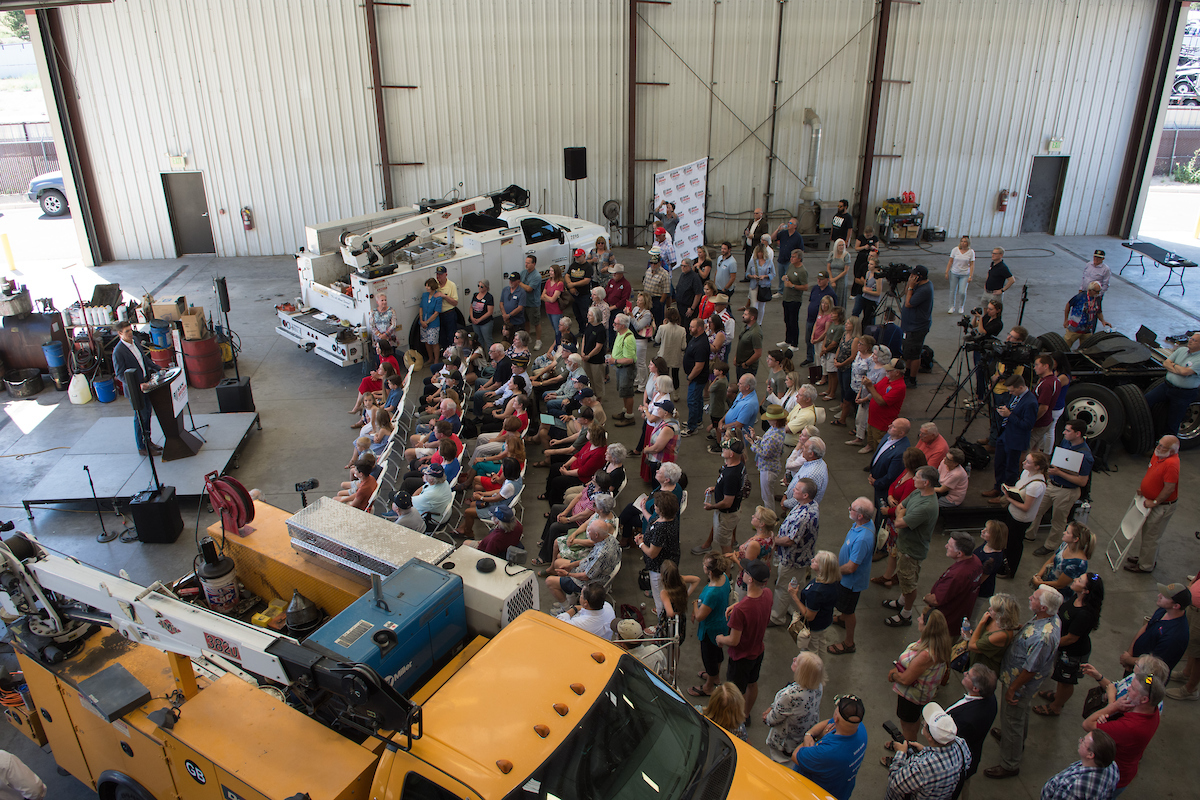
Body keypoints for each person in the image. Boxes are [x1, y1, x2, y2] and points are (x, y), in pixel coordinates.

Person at [983, 585, 1063, 780]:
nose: (1030, 598)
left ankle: (1010, 763)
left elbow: (1030, 669)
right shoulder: (1046, 618)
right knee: (1019, 716)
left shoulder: (1043, 637)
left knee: (1013, 718)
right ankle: (1015, 740)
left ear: (1044, 607)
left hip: (1020, 685)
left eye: (1034, 598)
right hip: (1018, 680)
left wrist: (1013, 689)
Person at [1034, 572, 1104, 717]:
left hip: (1072, 653)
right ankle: (1058, 695)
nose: (1075, 580)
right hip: (1063, 648)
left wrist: (1050, 643)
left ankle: (1056, 706)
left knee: (1066, 681)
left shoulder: (1084, 614)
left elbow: (1072, 638)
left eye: (1079, 580)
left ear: (1086, 591)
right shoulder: (1076, 598)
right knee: (1060, 677)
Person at [1086, 672, 1163, 795]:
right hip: (1126, 771)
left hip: (1107, 778)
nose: (1128, 688)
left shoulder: (1129, 727)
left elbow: (1087, 724)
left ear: (1144, 699)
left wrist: (1113, 706)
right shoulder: (1153, 711)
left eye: (1132, 688)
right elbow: (1150, 682)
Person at [887, 607, 953, 748]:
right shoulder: (939, 643)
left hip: (911, 697)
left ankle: (907, 752)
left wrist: (894, 675)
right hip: (923, 694)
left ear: (928, 627)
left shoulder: (925, 655)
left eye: (921, 618)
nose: (918, 619)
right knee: (914, 721)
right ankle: (906, 743)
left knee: (907, 725)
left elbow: (906, 680)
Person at [884, 466, 940, 627]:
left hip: (912, 550)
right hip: (904, 545)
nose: (913, 479)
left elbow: (899, 522)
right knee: (903, 577)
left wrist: (900, 515)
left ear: (926, 482)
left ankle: (906, 614)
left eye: (917, 477)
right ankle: (902, 601)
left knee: (909, 582)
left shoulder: (926, 506)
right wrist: (902, 513)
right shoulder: (918, 492)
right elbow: (901, 506)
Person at [718, 559, 772, 719]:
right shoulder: (767, 594)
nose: (743, 571)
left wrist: (721, 638)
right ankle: (745, 714)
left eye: (746, 571)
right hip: (757, 650)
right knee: (752, 683)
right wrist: (737, 605)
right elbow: (754, 602)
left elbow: (734, 640)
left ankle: (732, 719)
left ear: (750, 579)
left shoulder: (741, 611)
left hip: (740, 657)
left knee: (733, 692)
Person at [1031, 419, 1093, 558]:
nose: (1064, 432)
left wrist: (1059, 473)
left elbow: (1082, 481)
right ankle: (1029, 534)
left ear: (1078, 434)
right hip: (1052, 484)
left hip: (1066, 491)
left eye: (1068, 430)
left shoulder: (1085, 456)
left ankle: (1050, 545)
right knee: (1037, 509)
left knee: (1058, 520)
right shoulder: (1067, 442)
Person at [884, 702, 972, 800]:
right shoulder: (961, 744)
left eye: (925, 724)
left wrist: (900, 753)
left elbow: (895, 784)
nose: (924, 723)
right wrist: (925, 751)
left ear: (930, 737)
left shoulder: (922, 768)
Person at [791, 693, 867, 800]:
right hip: (839, 792)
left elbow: (796, 755)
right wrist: (810, 734)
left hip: (812, 793)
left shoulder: (827, 752)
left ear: (836, 717)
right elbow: (828, 722)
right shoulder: (860, 729)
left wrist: (817, 738)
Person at [1123, 434, 1180, 575]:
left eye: (1162, 446)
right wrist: (1144, 488)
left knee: (1152, 536)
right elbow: (1152, 473)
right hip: (1149, 500)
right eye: (1159, 444)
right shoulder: (1158, 455)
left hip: (1161, 506)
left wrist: (1155, 502)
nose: (1158, 447)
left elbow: (1169, 488)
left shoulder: (1171, 464)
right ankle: (1146, 558)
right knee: (1148, 532)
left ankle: (1145, 565)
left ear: (1171, 451)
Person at [827, 497, 876, 656]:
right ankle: (842, 619)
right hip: (846, 579)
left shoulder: (863, 538)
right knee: (844, 607)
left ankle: (849, 643)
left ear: (860, 516)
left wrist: (833, 571)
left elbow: (851, 567)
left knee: (849, 610)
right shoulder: (861, 524)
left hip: (851, 582)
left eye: (852, 509)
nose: (849, 510)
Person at [770, 479, 821, 626]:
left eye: (797, 489)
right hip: (801, 557)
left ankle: (776, 617)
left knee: (783, 586)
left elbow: (790, 540)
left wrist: (774, 540)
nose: (793, 490)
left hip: (793, 559)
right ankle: (793, 608)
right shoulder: (809, 505)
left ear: (805, 495)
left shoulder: (804, 517)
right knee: (797, 583)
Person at [945, 664, 998, 800]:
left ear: (975, 688)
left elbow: (949, 740)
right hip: (972, 755)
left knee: (955, 790)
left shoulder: (966, 719)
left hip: (957, 764)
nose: (964, 673)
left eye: (968, 675)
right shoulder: (991, 699)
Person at [994, 451, 1049, 578]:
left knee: (1014, 544)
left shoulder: (1036, 485)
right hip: (1013, 512)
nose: (1024, 462)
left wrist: (1008, 498)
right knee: (1007, 541)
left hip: (1021, 518)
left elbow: (1026, 507)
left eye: (1028, 462)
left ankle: (1009, 570)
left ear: (1037, 467)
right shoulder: (1026, 472)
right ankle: (1002, 563)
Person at [763, 651, 824, 763]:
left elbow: (772, 720)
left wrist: (767, 716)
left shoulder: (790, 695)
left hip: (785, 745)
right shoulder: (818, 685)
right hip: (802, 738)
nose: (794, 658)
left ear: (802, 672)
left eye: (797, 661)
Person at [544, 519, 620, 608]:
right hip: (589, 570)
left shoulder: (601, 554)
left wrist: (568, 574)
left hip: (589, 583)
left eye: (589, 530)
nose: (587, 532)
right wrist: (571, 565)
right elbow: (589, 559)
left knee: (549, 582)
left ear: (596, 535)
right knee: (558, 563)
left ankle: (566, 608)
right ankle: (570, 596)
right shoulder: (609, 538)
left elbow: (585, 576)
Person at [111, 319, 159, 456]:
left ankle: (148, 441)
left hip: (146, 384)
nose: (130, 333)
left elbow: (145, 360)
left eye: (130, 330)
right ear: (120, 334)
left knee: (147, 414)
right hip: (136, 389)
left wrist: (158, 368)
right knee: (140, 417)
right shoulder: (118, 352)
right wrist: (137, 385)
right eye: (127, 332)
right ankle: (142, 446)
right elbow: (120, 374)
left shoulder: (136, 341)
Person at [691, 553, 736, 698]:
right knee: (717, 654)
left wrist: (695, 606)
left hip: (710, 629)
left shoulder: (712, 593)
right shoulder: (724, 578)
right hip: (721, 624)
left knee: (709, 657)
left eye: (704, 565)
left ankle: (708, 686)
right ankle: (715, 677)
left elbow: (699, 616)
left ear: (709, 571)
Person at [1121, 582, 1192, 674]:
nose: (1159, 595)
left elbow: (1153, 664)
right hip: (1135, 666)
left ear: (1176, 606)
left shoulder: (1175, 636)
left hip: (1149, 676)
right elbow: (1146, 627)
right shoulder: (1164, 610)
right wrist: (1130, 654)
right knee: (1126, 686)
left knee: (1140, 688)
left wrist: (1128, 660)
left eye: (1165, 596)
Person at [923, 532, 984, 636]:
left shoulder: (957, 576)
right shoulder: (976, 561)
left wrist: (926, 598)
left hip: (946, 623)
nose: (946, 546)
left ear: (959, 553)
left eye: (950, 546)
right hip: (959, 617)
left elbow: (936, 600)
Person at [988, 375, 1037, 496]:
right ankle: (998, 487)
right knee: (999, 463)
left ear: (1020, 387)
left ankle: (1005, 494)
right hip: (1005, 434)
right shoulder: (1016, 396)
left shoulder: (1030, 402)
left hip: (1016, 439)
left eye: (1012, 390)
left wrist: (1009, 415)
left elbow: (1027, 425)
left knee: (1011, 467)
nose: (1010, 393)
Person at [1143, 332, 1200, 437]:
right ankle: (1144, 431)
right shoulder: (1181, 350)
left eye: (1194, 340)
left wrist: (1173, 366)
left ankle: (1167, 447)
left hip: (1183, 394)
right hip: (1166, 386)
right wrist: (1177, 367)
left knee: (1173, 421)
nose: (1190, 341)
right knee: (1144, 402)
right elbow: (1166, 363)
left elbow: (1185, 372)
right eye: (1190, 338)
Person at [635, 491, 681, 617]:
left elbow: (652, 553)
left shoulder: (662, 528)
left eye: (656, 505)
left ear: (661, 509)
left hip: (659, 568)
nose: (654, 506)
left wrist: (640, 543)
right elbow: (652, 520)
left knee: (660, 595)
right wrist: (643, 509)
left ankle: (661, 619)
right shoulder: (668, 518)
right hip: (666, 561)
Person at [785, 550, 839, 654]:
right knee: (821, 644)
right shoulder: (832, 582)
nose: (812, 560)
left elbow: (809, 616)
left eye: (816, 561)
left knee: (810, 651)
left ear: (823, 568)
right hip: (825, 621)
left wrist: (794, 596)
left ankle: (812, 668)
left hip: (814, 626)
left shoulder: (817, 592)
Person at [1039, 730, 1119, 800]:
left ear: (1090, 755)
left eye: (1083, 741)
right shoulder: (1112, 765)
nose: (1080, 740)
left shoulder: (1073, 788)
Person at [1031, 521, 1094, 602]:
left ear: (1075, 539)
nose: (1064, 533)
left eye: (1067, 532)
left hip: (1056, 596)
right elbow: (1051, 560)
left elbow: (1060, 584)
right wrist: (1039, 576)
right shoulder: (1066, 544)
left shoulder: (1077, 563)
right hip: (1046, 585)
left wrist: (1039, 584)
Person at [745, 405, 787, 513]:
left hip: (768, 469)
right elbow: (765, 443)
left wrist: (752, 443)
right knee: (768, 493)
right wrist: (756, 438)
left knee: (767, 497)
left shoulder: (773, 437)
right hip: (772, 466)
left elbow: (764, 453)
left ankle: (770, 518)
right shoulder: (778, 429)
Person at [967, 593, 1021, 675]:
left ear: (1001, 615)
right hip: (976, 661)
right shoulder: (994, 619)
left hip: (984, 671)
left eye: (992, 609)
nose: (989, 609)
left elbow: (972, 646)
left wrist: (981, 622)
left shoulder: (1001, 635)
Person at [861, 359, 907, 453]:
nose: (886, 371)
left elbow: (881, 402)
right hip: (873, 419)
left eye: (889, 370)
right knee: (871, 438)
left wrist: (869, 386)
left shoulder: (899, 387)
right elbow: (874, 389)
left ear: (897, 372)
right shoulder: (887, 379)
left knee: (879, 445)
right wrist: (867, 385)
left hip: (882, 423)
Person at [1167, 574, 1200, 701]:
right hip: (1195, 608)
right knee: (1192, 644)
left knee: (1198, 653)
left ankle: (1190, 689)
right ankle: (1187, 673)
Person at [901, 264, 934, 386]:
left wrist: (910, 287)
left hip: (917, 327)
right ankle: (907, 373)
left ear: (919, 277)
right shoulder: (916, 285)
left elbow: (909, 303)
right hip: (909, 325)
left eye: (913, 276)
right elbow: (906, 295)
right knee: (908, 352)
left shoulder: (925, 289)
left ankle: (912, 379)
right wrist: (910, 286)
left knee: (914, 353)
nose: (911, 277)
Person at [607, 314, 638, 424]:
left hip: (627, 369)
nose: (613, 325)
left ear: (623, 325)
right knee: (623, 391)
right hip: (621, 368)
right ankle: (625, 411)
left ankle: (629, 417)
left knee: (627, 392)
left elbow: (630, 359)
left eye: (616, 323)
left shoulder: (628, 338)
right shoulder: (620, 333)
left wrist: (614, 361)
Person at [682, 317, 710, 435]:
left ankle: (692, 427)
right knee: (698, 399)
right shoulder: (696, 338)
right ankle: (698, 420)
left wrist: (690, 377)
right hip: (696, 378)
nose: (690, 328)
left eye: (692, 327)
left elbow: (699, 366)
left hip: (697, 378)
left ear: (699, 328)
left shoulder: (701, 345)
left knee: (692, 401)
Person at [1062, 281, 1111, 347]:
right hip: (1075, 328)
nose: (1098, 293)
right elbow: (1068, 305)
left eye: (1099, 291)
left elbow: (1098, 311)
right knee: (1065, 346)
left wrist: (1103, 321)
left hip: (1087, 329)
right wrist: (1066, 319)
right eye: (1096, 291)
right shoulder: (1080, 296)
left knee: (1087, 348)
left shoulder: (1097, 299)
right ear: (1090, 290)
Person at [803, 271, 837, 365]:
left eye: (821, 279)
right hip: (812, 319)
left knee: (819, 345)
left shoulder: (831, 293)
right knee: (809, 339)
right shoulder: (815, 288)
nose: (819, 281)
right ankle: (809, 358)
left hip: (824, 321)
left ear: (827, 280)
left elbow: (835, 308)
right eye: (818, 279)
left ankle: (820, 366)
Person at [780, 249, 809, 349]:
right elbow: (788, 275)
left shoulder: (802, 271)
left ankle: (794, 344)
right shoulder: (791, 266)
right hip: (786, 298)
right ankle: (788, 340)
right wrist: (784, 278)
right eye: (791, 256)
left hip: (794, 299)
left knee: (793, 321)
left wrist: (792, 286)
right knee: (787, 320)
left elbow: (805, 287)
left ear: (799, 259)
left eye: (794, 257)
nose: (791, 258)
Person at [653, 306, 686, 390]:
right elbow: (684, 346)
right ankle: (676, 393)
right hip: (676, 355)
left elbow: (657, 340)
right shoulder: (682, 330)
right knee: (675, 375)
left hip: (664, 355)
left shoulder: (662, 328)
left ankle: (664, 390)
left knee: (664, 375)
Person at [944, 235, 975, 315]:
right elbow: (950, 261)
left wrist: (970, 276)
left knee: (962, 292)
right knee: (952, 291)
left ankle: (961, 306)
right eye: (962, 241)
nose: (963, 243)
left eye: (965, 242)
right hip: (954, 273)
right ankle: (951, 306)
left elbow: (972, 265)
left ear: (968, 243)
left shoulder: (971, 252)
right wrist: (947, 271)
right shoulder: (955, 250)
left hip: (964, 274)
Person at [432, 264, 459, 349]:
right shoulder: (436, 285)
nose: (438, 276)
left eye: (440, 274)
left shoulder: (451, 285)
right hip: (439, 315)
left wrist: (444, 296)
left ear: (446, 274)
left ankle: (453, 354)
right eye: (437, 274)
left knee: (451, 336)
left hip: (449, 314)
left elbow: (455, 302)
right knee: (442, 337)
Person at [565, 248, 594, 325]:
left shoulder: (588, 267)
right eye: (576, 257)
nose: (577, 258)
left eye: (578, 257)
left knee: (585, 315)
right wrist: (570, 285)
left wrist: (573, 284)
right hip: (574, 295)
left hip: (583, 295)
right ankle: (581, 331)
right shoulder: (573, 265)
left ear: (584, 256)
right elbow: (567, 275)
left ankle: (586, 331)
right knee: (577, 315)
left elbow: (586, 280)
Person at [520, 255, 543, 348]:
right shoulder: (523, 272)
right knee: (526, 322)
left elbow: (529, 288)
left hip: (533, 303)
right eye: (525, 262)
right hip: (524, 302)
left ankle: (538, 340)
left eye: (528, 263)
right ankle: (527, 337)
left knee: (536, 322)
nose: (526, 264)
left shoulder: (536, 276)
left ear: (534, 264)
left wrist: (520, 283)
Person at [469, 278, 495, 349]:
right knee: (479, 339)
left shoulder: (489, 297)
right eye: (478, 285)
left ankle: (491, 355)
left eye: (481, 286)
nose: (479, 288)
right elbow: (471, 307)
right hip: (475, 322)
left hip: (485, 323)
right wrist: (472, 317)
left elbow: (490, 312)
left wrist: (479, 319)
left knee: (487, 339)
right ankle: (481, 354)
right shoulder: (475, 295)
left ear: (486, 287)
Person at [826, 239, 852, 308]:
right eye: (839, 245)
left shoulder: (846, 255)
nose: (841, 247)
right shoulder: (832, 254)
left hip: (841, 280)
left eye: (842, 245)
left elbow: (845, 271)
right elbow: (828, 268)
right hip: (832, 280)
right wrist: (831, 279)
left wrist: (834, 279)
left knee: (839, 299)